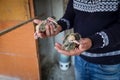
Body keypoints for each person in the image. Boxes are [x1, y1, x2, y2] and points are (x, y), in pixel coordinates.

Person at [34, 0, 120, 80]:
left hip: (107, 63)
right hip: (80, 58)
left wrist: (93, 41)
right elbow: (71, 15)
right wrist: (57, 26)